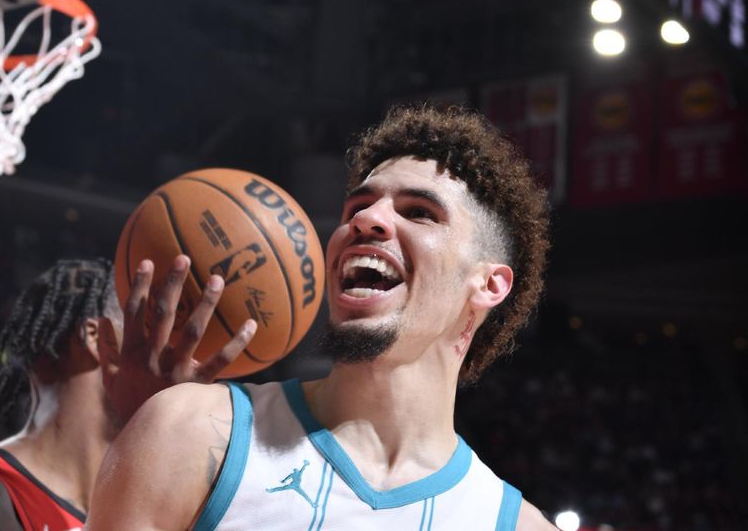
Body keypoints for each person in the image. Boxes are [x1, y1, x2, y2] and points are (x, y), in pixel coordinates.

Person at [87, 106, 557, 530]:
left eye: (419, 212)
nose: (367, 220)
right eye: (358, 206)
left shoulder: (515, 526)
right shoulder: (189, 430)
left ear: (489, 285)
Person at [0, 257, 255, 531]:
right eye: (149, 323)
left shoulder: (140, 512)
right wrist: (157, 426)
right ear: (96, 338)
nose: (177, 351)